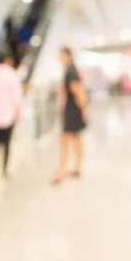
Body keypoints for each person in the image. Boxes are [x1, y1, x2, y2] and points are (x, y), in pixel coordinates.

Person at [51, 47, 87, 185]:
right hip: (73, 109)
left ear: (67, 55)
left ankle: (60, 171)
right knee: (77, 137)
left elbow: (77, 90)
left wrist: (83, 109)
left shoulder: (70, 71)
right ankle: (77, 166)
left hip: (72, 110)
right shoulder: (71, 69)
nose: (59, 57)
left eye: (60, 55)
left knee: (66, 140)